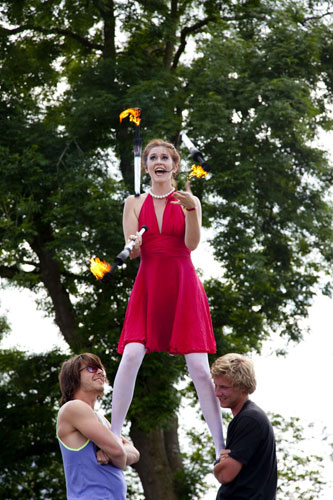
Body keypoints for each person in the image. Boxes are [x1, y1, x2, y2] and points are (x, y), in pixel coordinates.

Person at [111, 138, 225, 460]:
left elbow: (190, 245)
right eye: (152, 157)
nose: (159, 161)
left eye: (165, 157)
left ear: (175, 166)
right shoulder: (133, 203)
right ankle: (113, 434)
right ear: (146, 166)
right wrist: (133, 244)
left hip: (182, 284)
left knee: (200, 369)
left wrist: (190, 210)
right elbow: (133, 253)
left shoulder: (190, 201)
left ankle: (220, 445)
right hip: (148, 283)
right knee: (131, 355)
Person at [57, 352, 140, 500]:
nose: (100, 372)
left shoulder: (100, 419)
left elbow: (134, 452)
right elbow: (118, 451)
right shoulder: (73, 408)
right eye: (91, 368)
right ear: (74, 377)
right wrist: (117, 454)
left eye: (101, 368)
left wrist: (113, 454)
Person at [211, 353, 277, 499]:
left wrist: (217, 464)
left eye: (224, 387)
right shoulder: (248, 417)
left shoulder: (249, 419)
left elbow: (225, 474)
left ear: (243, 388)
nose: (217, 393)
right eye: (215, 385)